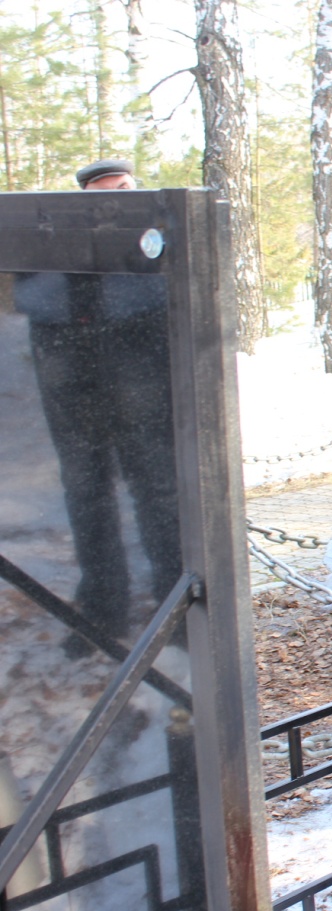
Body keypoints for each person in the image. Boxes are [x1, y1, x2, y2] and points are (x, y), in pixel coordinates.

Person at [15, 157, 181, 655]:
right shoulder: (54, 248)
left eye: (124, 191)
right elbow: (34, 299)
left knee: (156, 490)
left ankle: (172, 605)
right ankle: (103, 609)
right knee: (86, 493)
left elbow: (167, 296)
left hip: (141, 379)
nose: (114, 202)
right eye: (102, 194)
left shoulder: (159, 238)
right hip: (73, 382)